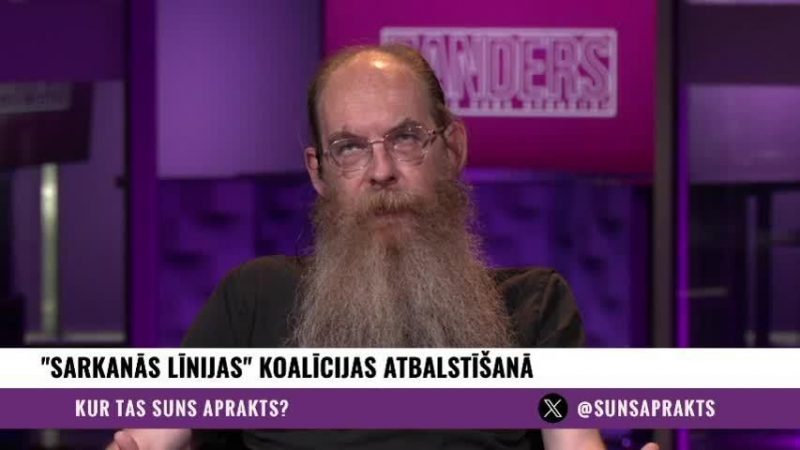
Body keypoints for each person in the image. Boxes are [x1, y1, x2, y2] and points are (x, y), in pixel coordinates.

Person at [109, 44, 659, 450]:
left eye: (405, 138)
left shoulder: (533, 305)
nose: (381, 171)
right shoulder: (254, 298)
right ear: (319, 172)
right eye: (349, 147)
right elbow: (152, 437)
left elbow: (573, 440)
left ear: (453, 149)